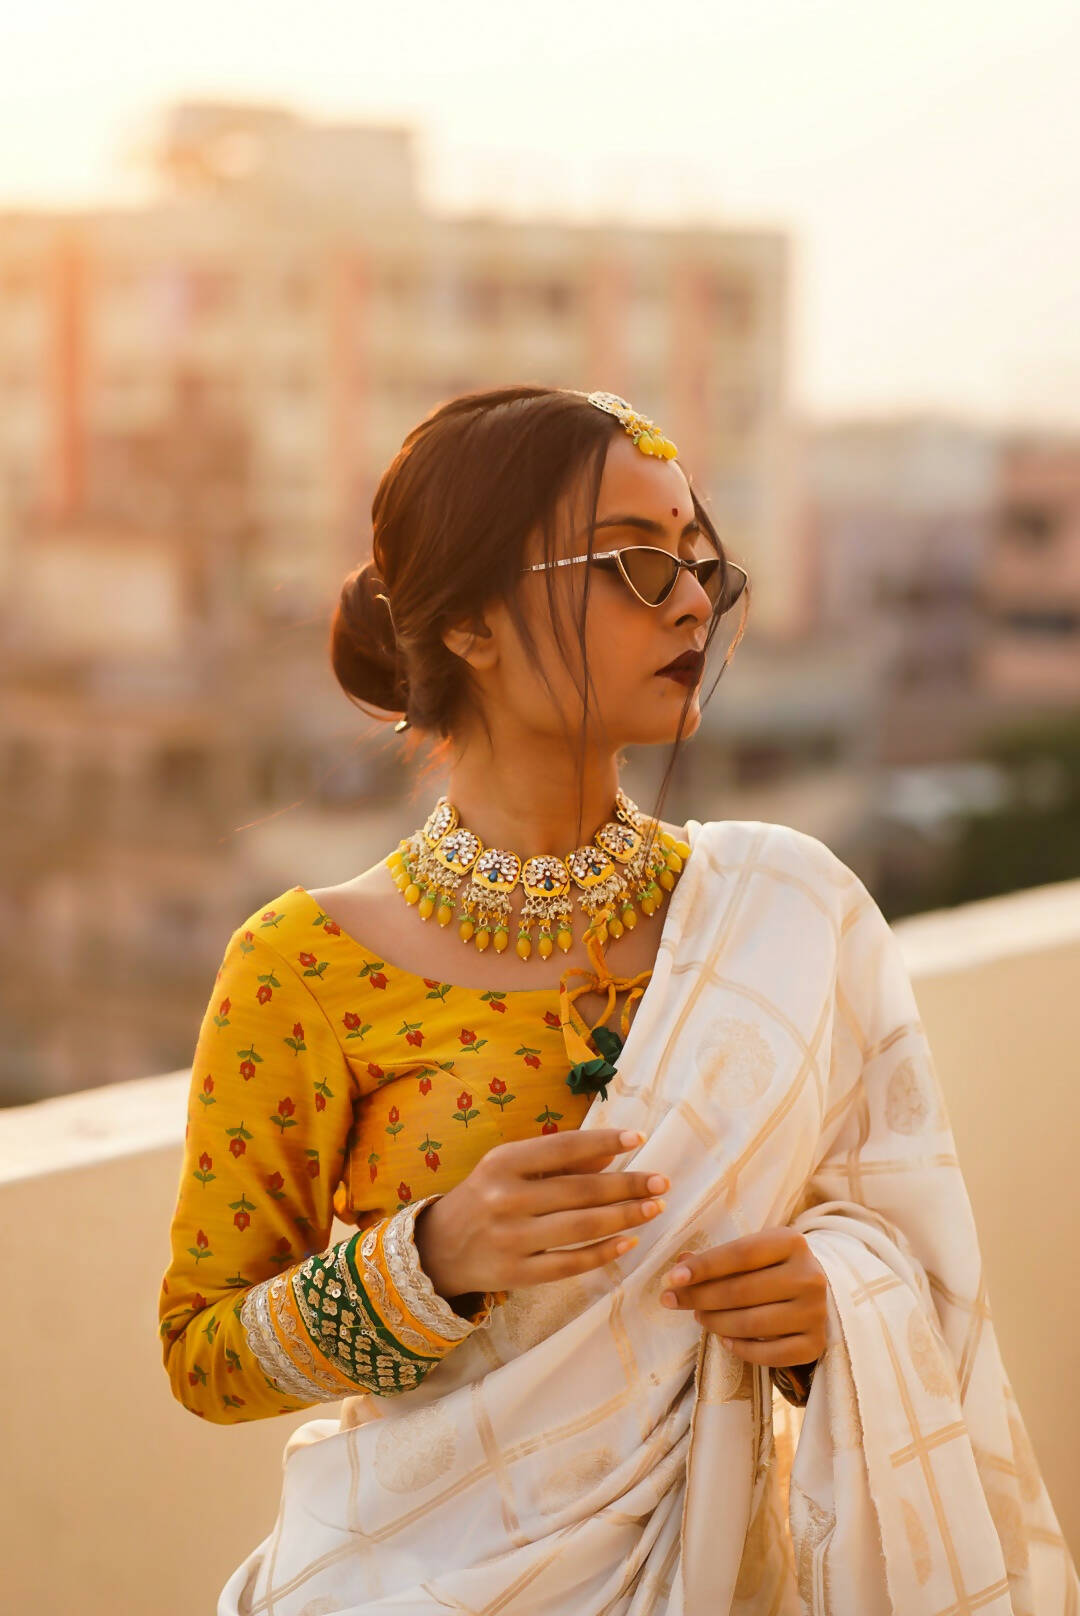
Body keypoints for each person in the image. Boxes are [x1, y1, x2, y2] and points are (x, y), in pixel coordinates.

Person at [159, 386, 1078, 1614]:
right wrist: (429, 1257)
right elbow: (206, 1351)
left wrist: (831, 1315)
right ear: (474, 622)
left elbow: (908, 1253)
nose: (695, 600)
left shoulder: (783, 908)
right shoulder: (307, 962)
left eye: (706, 568)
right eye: (639, 565)